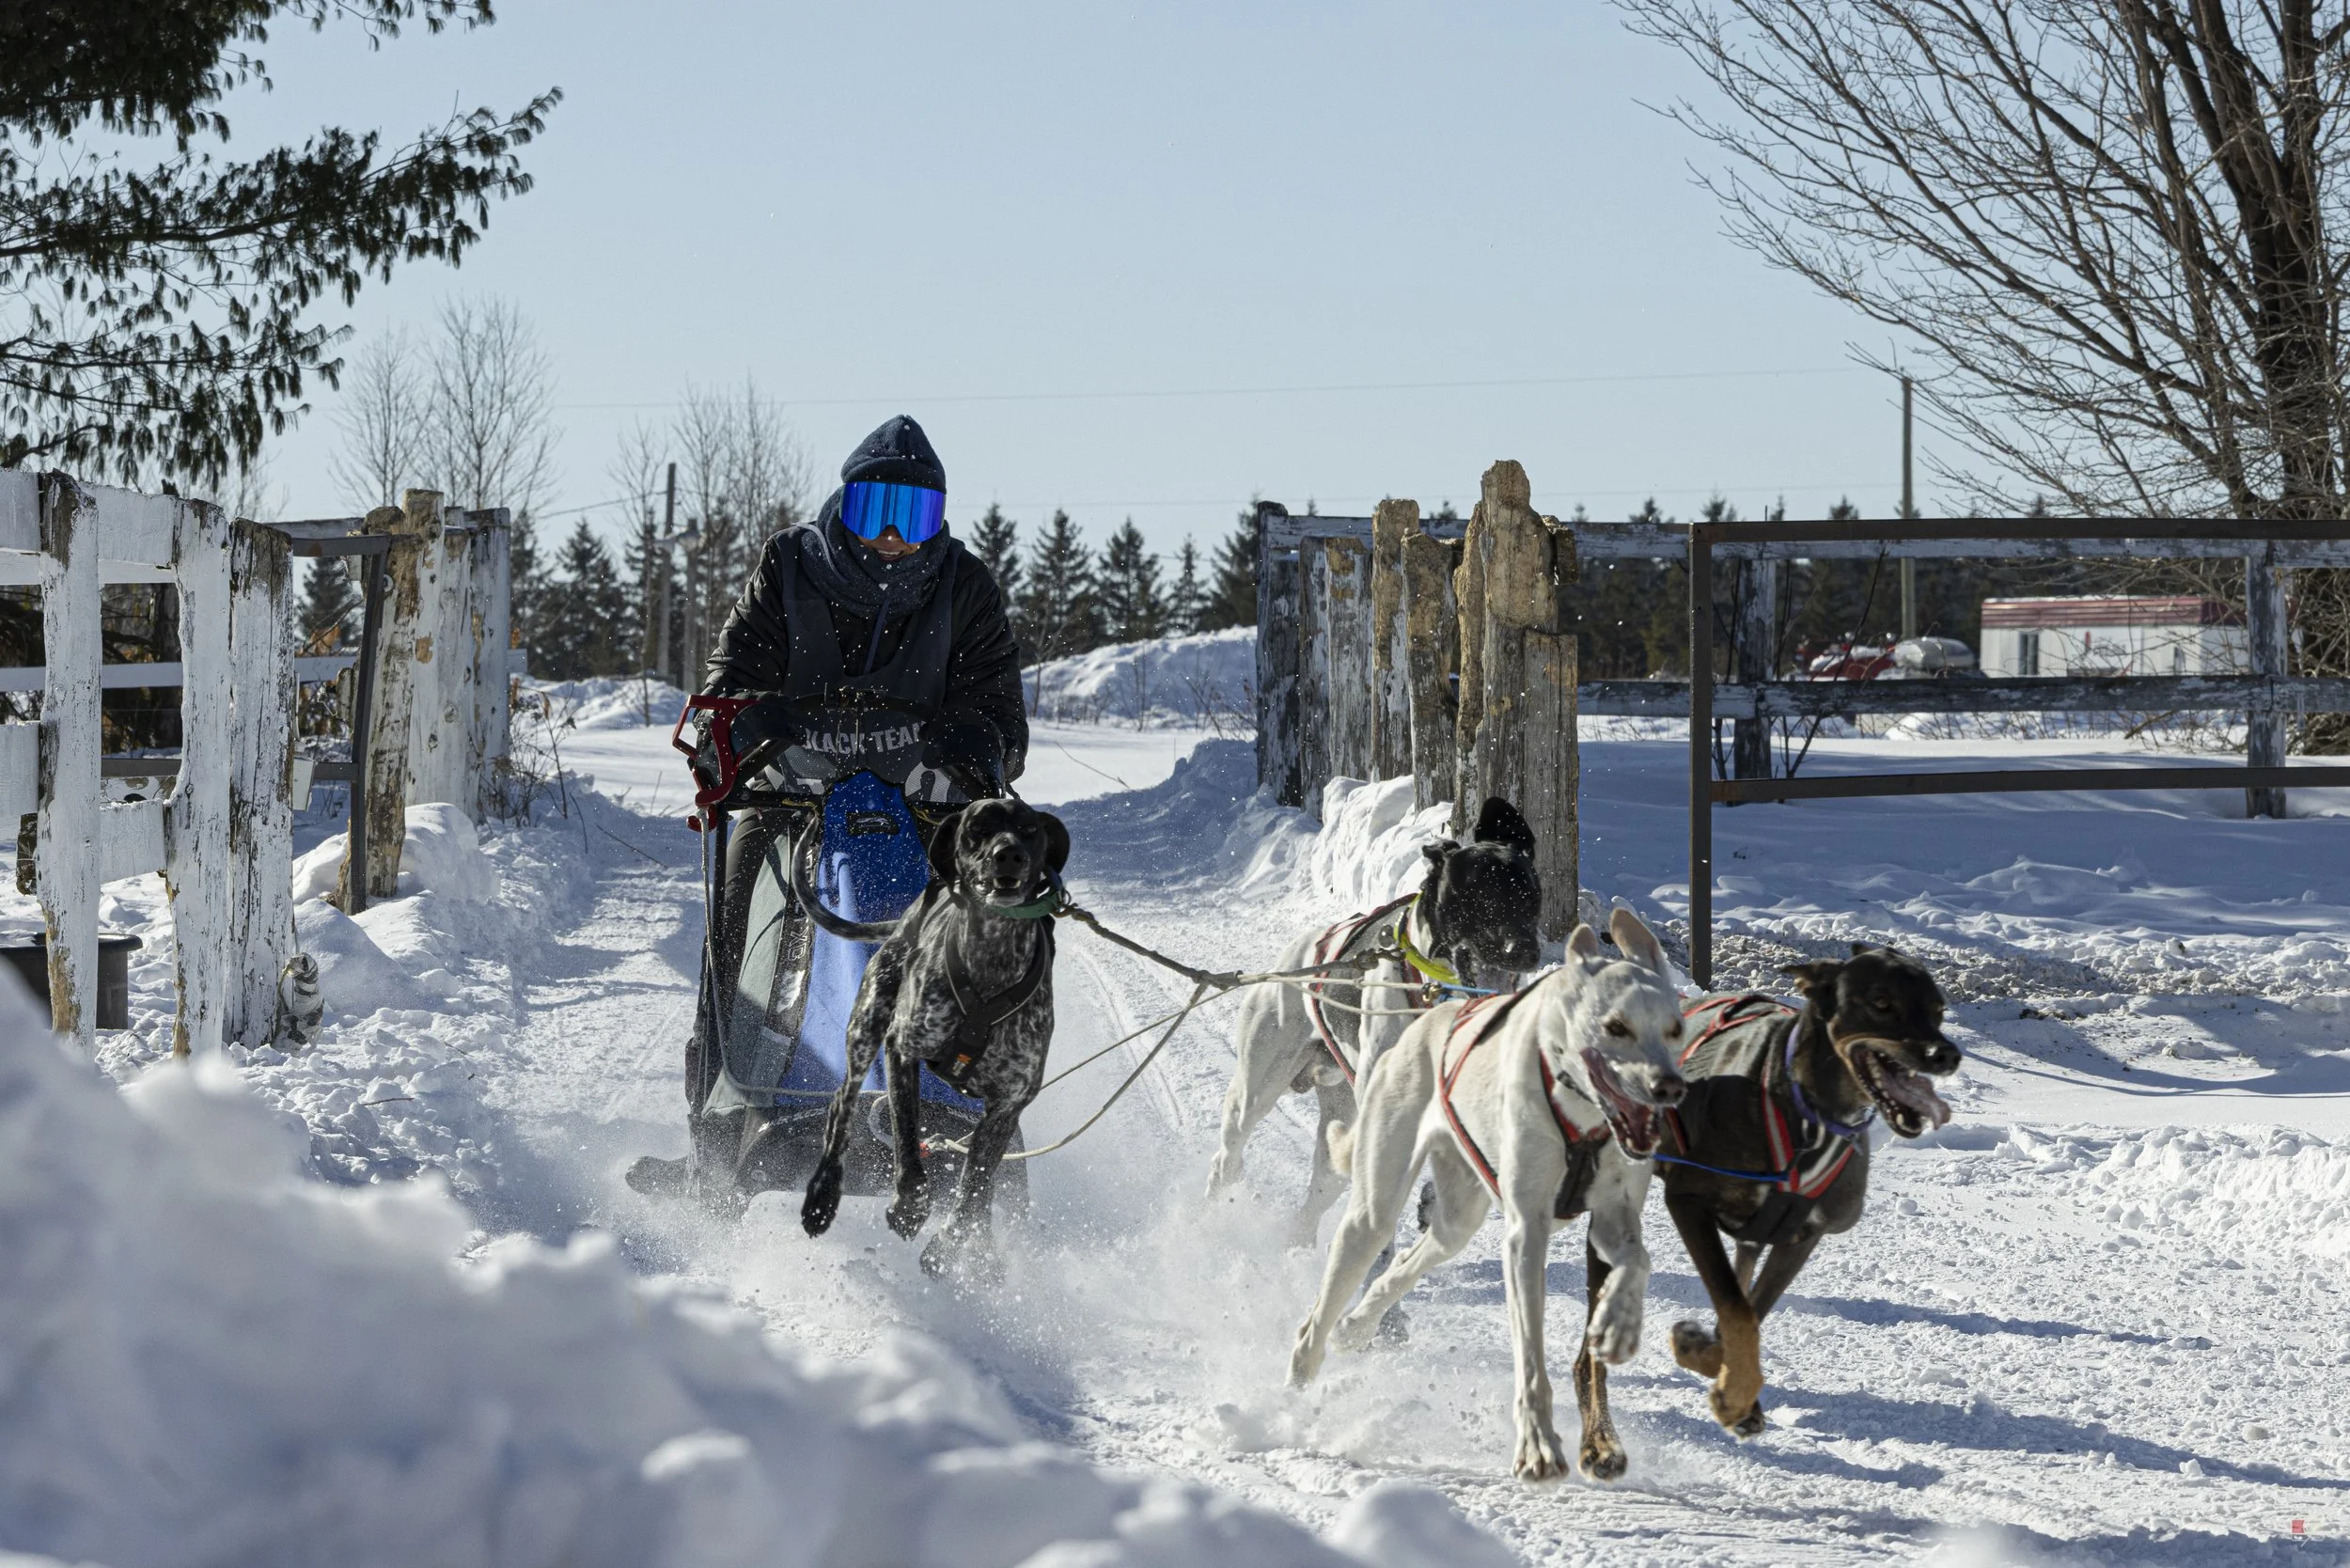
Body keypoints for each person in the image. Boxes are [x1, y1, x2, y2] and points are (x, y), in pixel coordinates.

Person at [663, 415, 1027, 1200]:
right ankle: (715, 1138)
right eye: (874, 509)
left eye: (914, 514)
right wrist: (757, 725)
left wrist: (966, 746)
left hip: (924, 808)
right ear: (843, 503)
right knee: (736, 925)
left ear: (939, 522)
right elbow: (729, 684)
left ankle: (973, 1112)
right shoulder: (790, 567)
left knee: (986, 934)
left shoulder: (964, 586)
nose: (893, 535)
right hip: (791, 799)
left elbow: (1001, 717)